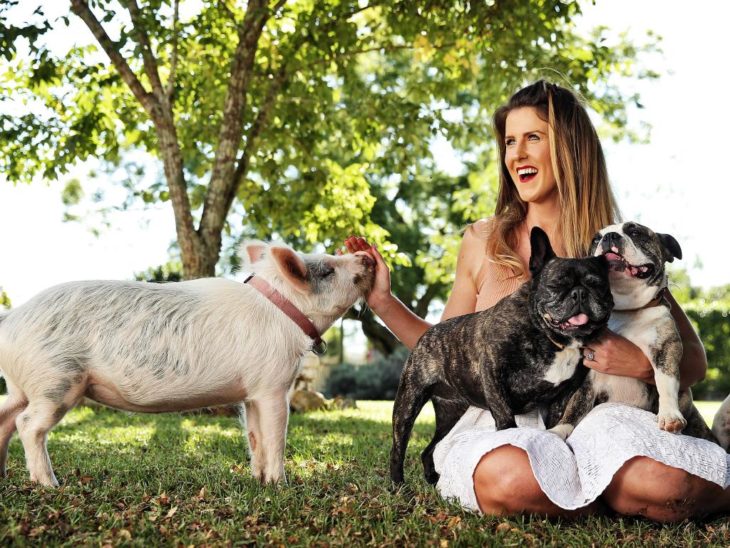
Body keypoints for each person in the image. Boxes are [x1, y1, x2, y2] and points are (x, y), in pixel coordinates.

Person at [344, 80, 730, 521]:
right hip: (501, 419)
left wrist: (638, 364)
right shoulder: (482, 240)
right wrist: (382, 300)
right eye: (510, 141)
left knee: (666, 484)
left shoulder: (613, 247)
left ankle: (615, 489)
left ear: (570, 149)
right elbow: (442, 348)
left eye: (533, 138)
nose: (517, 154)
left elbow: (693, 362)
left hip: (595, 419)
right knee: (510, 478)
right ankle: (612, 496)